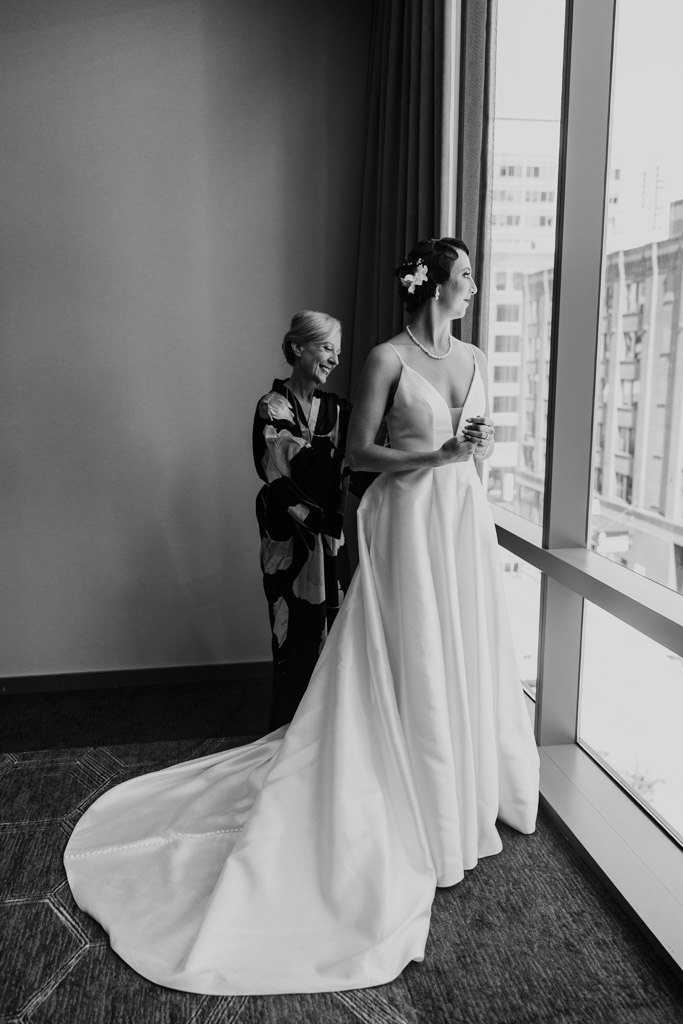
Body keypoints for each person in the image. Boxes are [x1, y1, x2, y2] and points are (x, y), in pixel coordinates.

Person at [63, 237, 539, 997]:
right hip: (409, 517)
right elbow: (359, 454)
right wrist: (437, 454)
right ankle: (404, 783)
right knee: (405, 649)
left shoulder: (476, 356)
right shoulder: (386, 357)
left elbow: (467, 449)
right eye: (464, 276)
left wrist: (472, 450)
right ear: (430, 284)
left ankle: (462, 788)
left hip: (460, 518)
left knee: (461, 647)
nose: (474, 287)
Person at [253, 311, 351, 729]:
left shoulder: (339, 410)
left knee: (335, 634)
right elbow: (291, 467)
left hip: (331, 543)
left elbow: (360, 463)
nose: (335, 360)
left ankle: (324, 735)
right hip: (288, 543)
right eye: (328, 348)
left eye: (338, 352)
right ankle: (286, 734)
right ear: (298, 348)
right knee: (292, 636)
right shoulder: (271, 406)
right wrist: (343, 460)